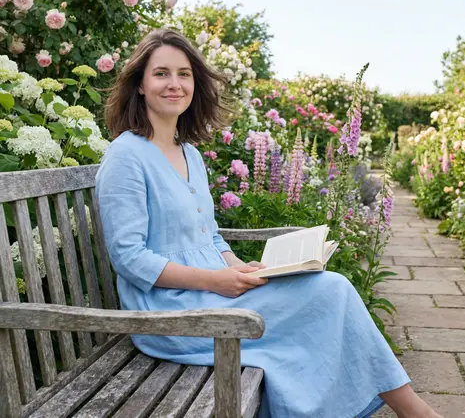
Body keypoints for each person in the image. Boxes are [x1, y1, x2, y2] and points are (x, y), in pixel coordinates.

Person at [96, 29, 443, 418]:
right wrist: (215, 281)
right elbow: (129, 257)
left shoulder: (189, 153)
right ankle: (416, 412)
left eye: (184, 74)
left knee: (327, 289)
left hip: (212, 292)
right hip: (169, 313)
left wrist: (235, 266)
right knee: (332, 292)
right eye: (161, 74)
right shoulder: (126, 155)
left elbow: (208, 235)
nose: (174, 84)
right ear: (140, 85)